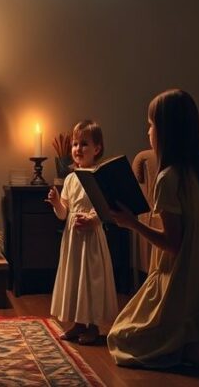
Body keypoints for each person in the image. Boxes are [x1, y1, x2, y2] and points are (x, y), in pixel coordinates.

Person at [106, 89, 199, 368]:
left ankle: (188, 345)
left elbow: (173, 245)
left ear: (165, 131)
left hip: (183, 281)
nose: (148, 132)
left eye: (151, 125)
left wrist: (132, 223)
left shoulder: (168, 179)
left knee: (120, 337)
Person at [45, 120, 118, 344]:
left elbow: (106, 207)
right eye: (75, 144)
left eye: (84, 144)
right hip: (73, 239)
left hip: (91, 238)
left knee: (90, 278)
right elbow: (63, 213)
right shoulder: (69, 178)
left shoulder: (100, 176)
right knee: (74, 277)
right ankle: (77, 323)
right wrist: (57, 203)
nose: (77, 149)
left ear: (97, 148)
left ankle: (93, 325)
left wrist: (93, 219)